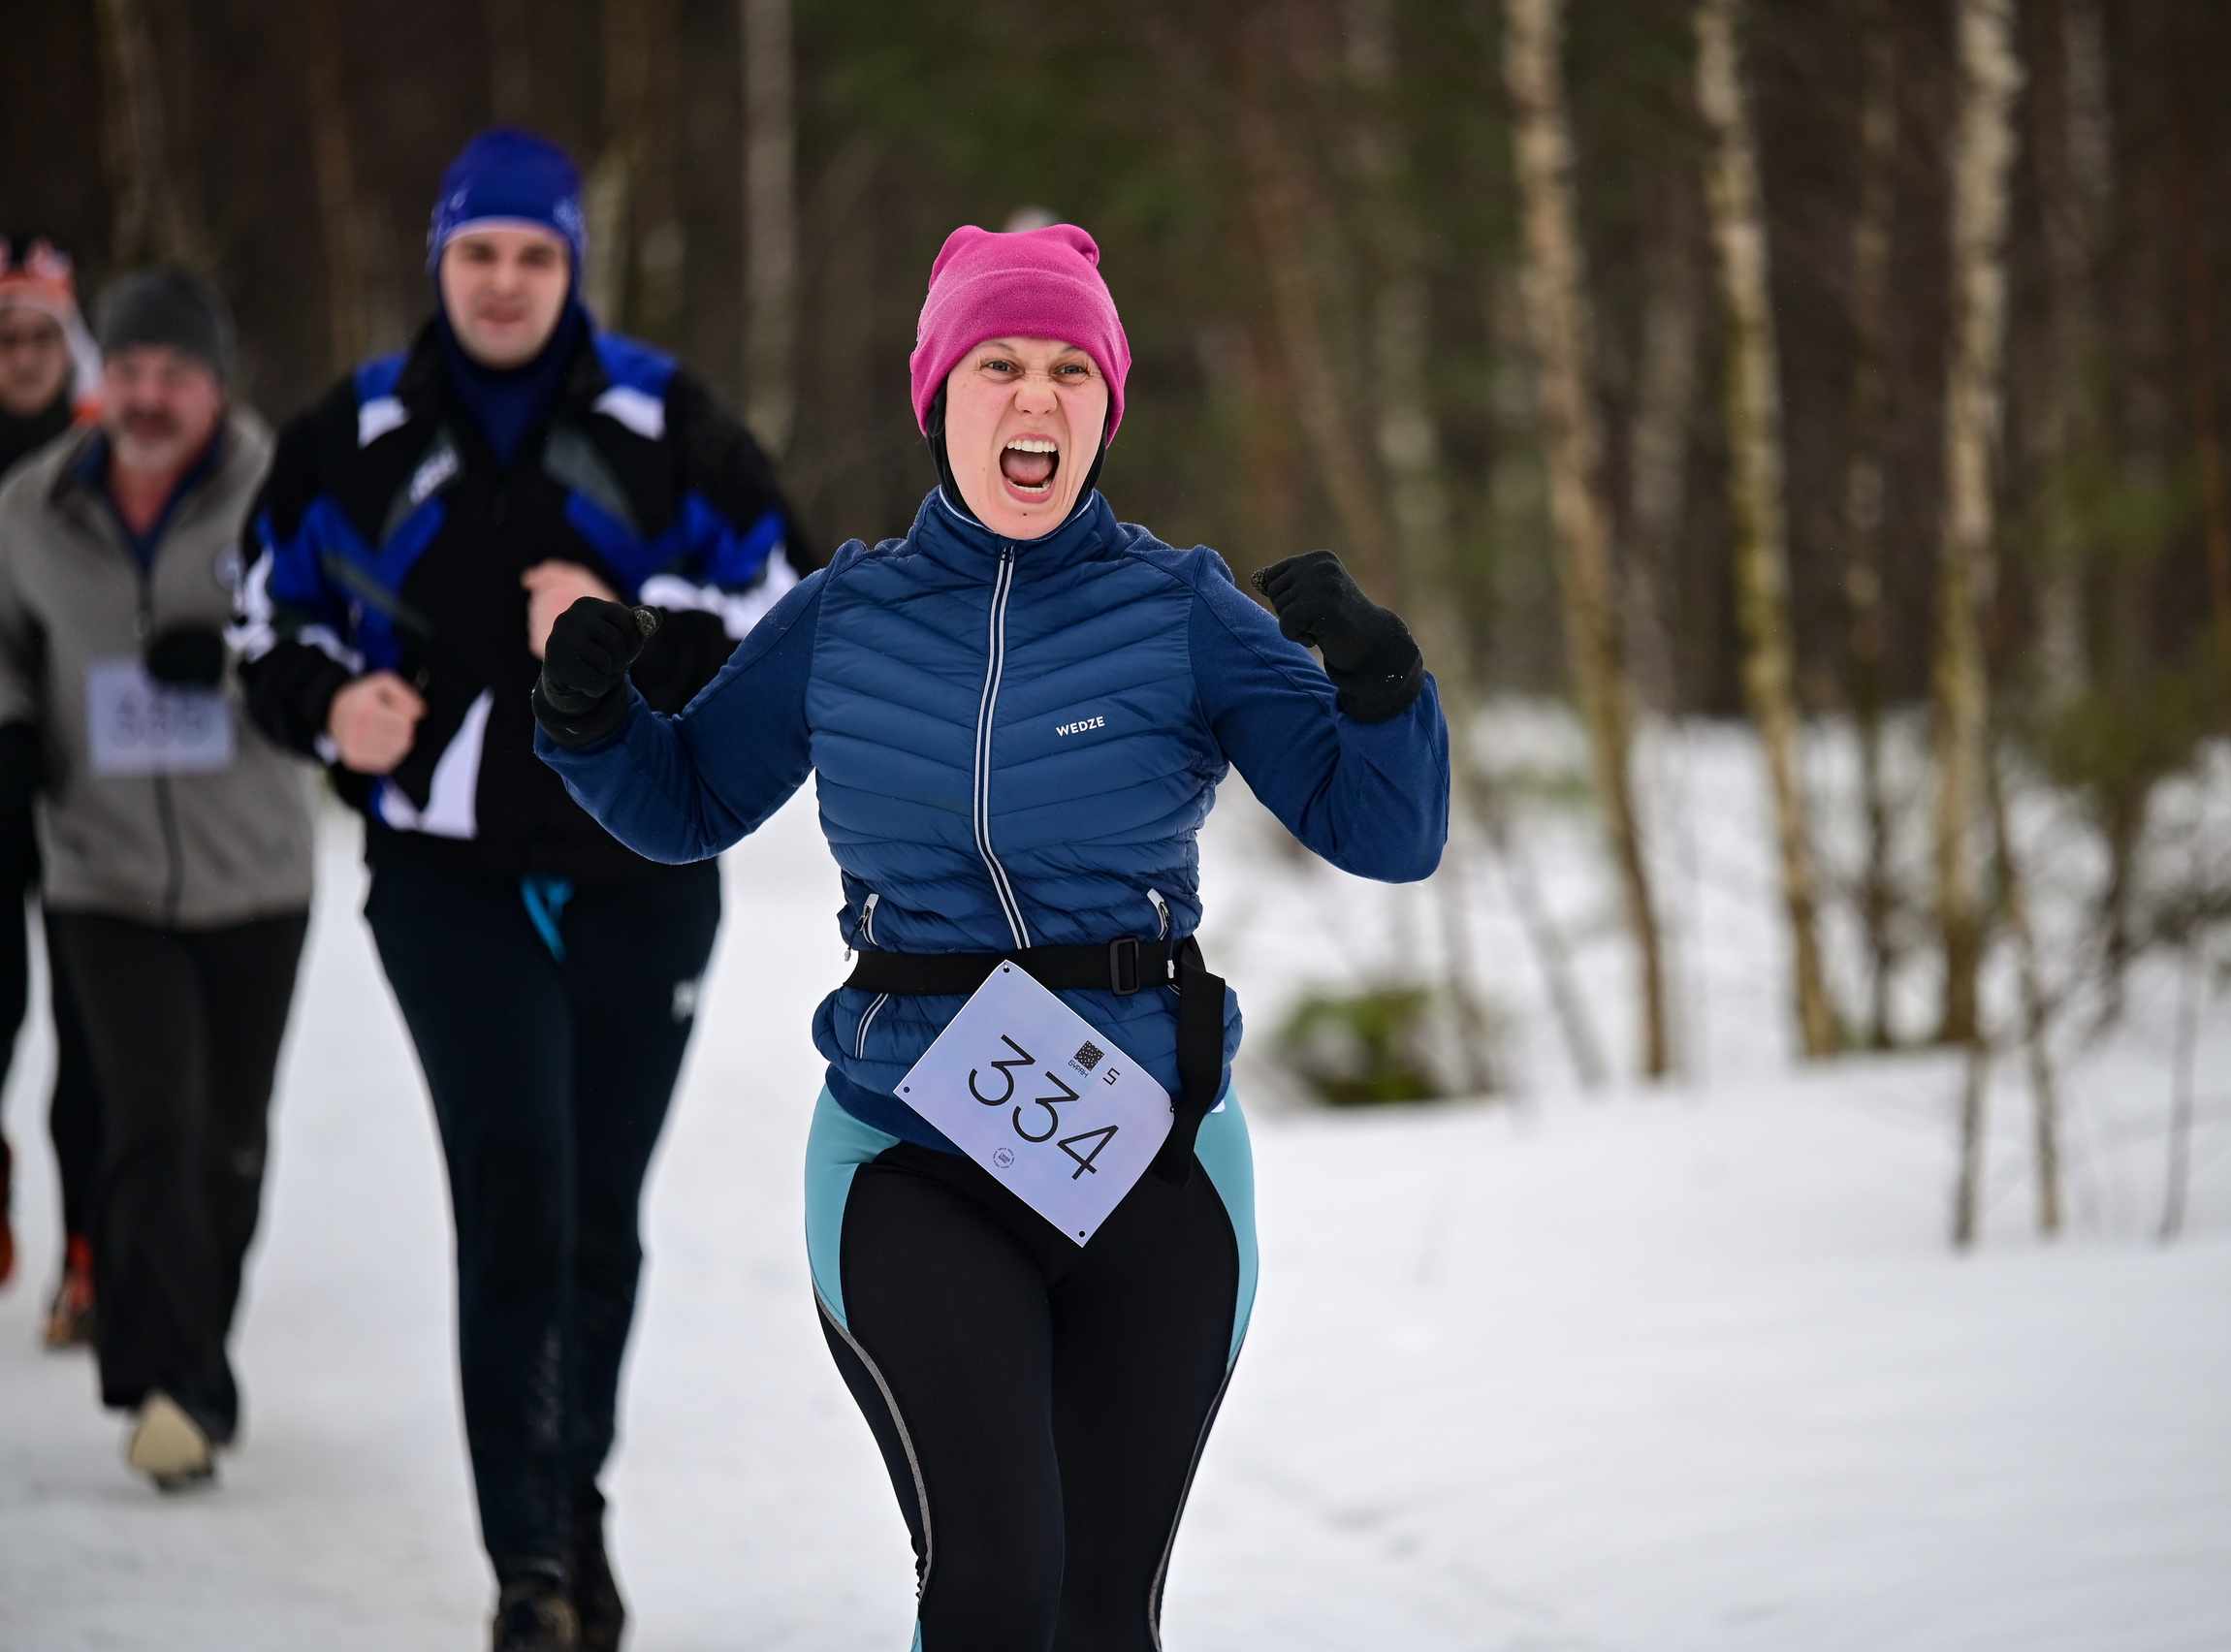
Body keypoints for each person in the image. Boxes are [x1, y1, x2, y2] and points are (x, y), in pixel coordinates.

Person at [534, 222, 1449, 1650]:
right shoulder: (847, 619)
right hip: (912, 1151)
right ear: (941, 395)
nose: (1037, 399)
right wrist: (590, 722)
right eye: (1002, 364)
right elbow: (690, 799)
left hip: (1153, 1148)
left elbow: (1384, 835)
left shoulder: (1182, 609)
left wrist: (1383, 682)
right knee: (995, 1583)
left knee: (1100, 1615)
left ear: (1106, 410)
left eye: (1073, 370)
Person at [236, 128, 808, 1652]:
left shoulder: (663, 417)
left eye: (534, 255)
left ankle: (573, 1495)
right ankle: (529, 1569)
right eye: (478, 253)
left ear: (572, 266)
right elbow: (257, 618)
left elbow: (785, 604)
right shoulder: (351, 428)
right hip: (447, 877)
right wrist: (323, 710)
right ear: (440, 260)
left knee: (600, 1220)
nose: (504, 283)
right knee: (517, 1195)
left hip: (639, 865)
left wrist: (633, 624)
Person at [0, 265, 315, 1490]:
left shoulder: (285, 498)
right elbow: (4, 653)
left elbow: (331, 647)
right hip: (101, 866)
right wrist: (13, 727)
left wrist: (233, 666)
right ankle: (164, 1376)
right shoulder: (30, 508)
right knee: (148, 1118)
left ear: (215, 386)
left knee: (230, 1138)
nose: (146, 395)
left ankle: (193, 1348)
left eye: (172, 374)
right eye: (126, 370)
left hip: (255, 872)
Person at [0, 234, 110, 1334]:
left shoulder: (103, 449)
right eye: (4, 338)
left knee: (94, 1033)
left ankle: (91, 1255)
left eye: (40, 335)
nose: (23, 356)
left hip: (89, 782)